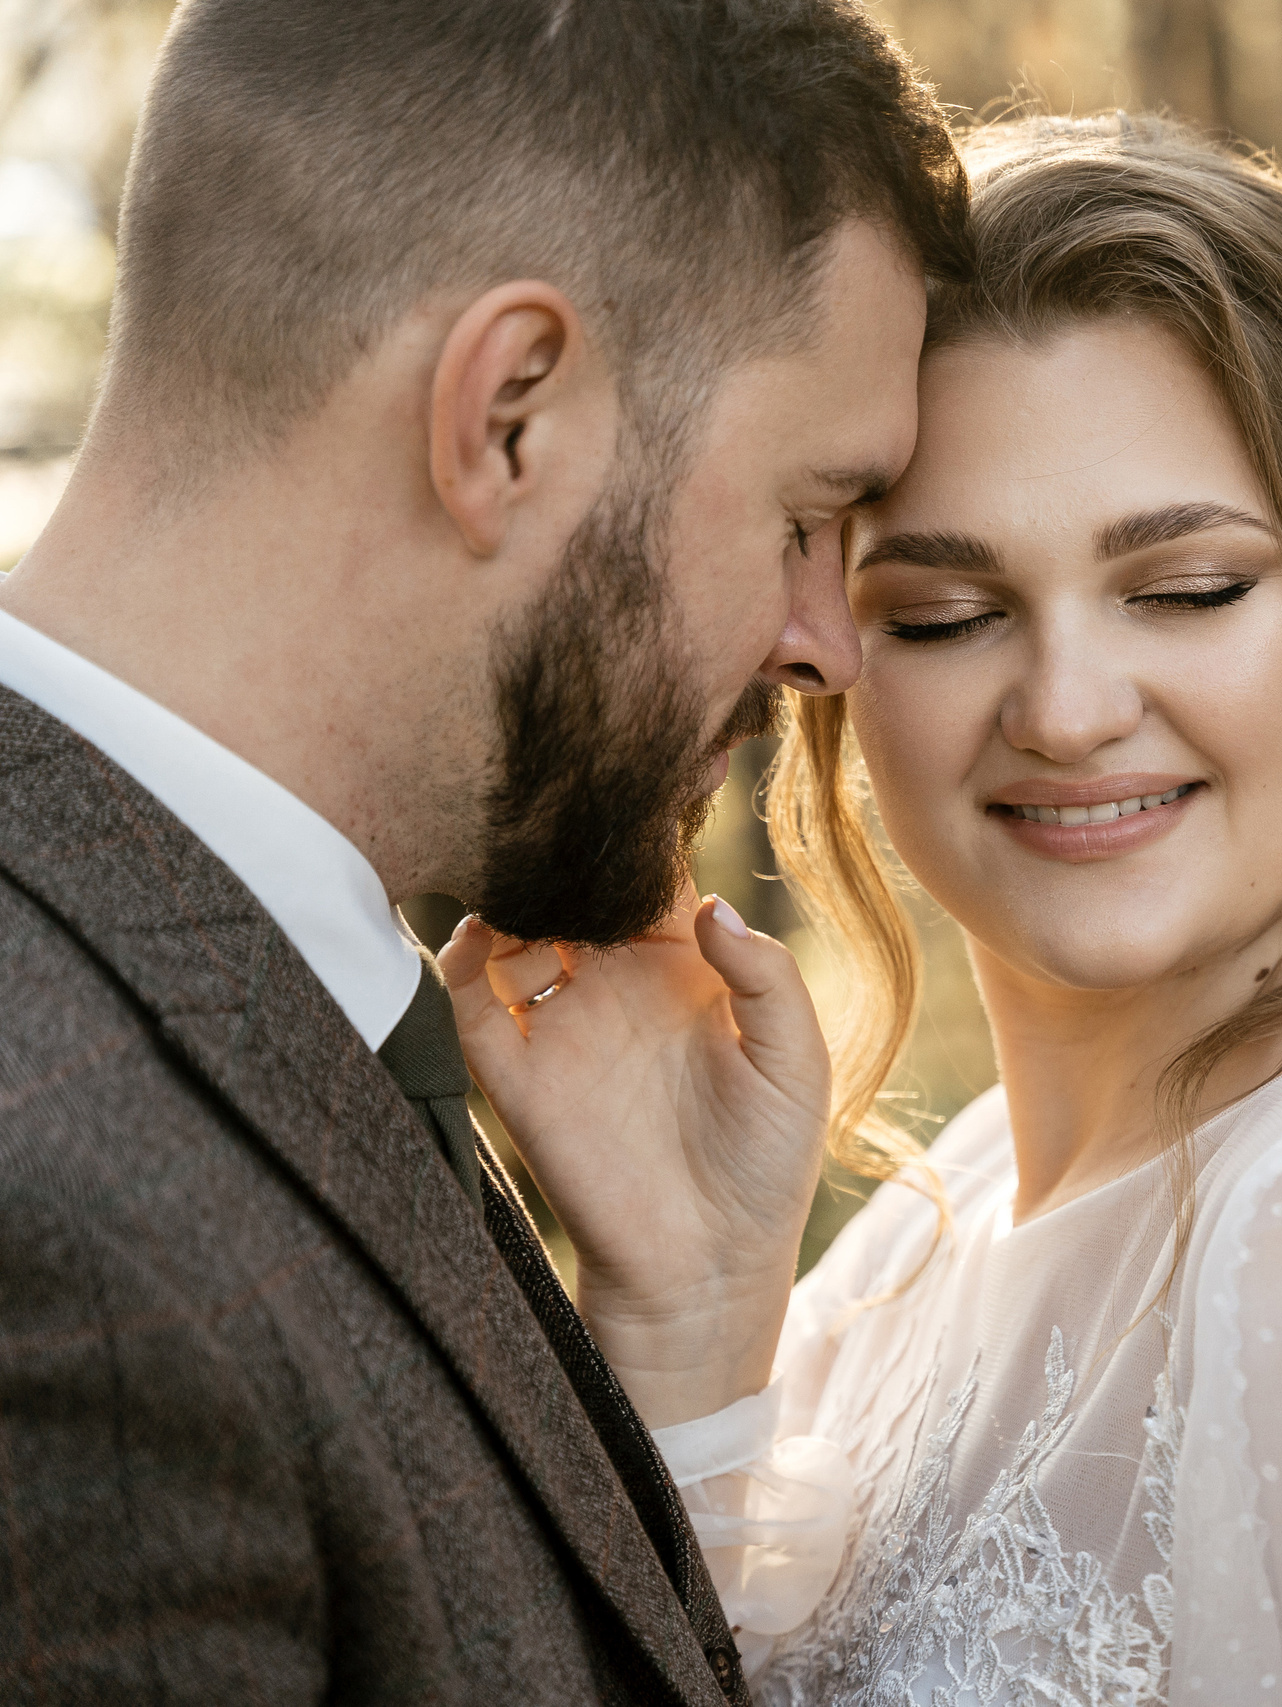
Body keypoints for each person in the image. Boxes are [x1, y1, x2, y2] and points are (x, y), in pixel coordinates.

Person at [455, 114, 1282, 1704]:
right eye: (944, 615)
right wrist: (686, 1317)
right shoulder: (928, 1228)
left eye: (1189, 589)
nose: (1069, 710)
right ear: (831, 658)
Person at [0, 2, 966, 1701]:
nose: (830, 641)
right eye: (805, 517)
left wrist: (675, 1338)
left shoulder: (217, 972)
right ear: (510, 414)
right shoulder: (51, 1231)